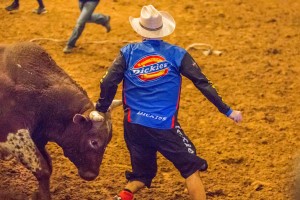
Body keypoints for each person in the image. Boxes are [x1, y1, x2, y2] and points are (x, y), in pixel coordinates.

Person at [95, 5, 243, 200]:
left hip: (134, 125)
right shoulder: (177, 54)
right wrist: (228, 111)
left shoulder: (128, 52)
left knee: (142, 175)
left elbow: (107, 82)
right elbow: (202, 82)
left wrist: (101, 108)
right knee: (191, 168)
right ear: (162, 28)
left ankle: (124, 195)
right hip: (164, 125)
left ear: (140, 29)